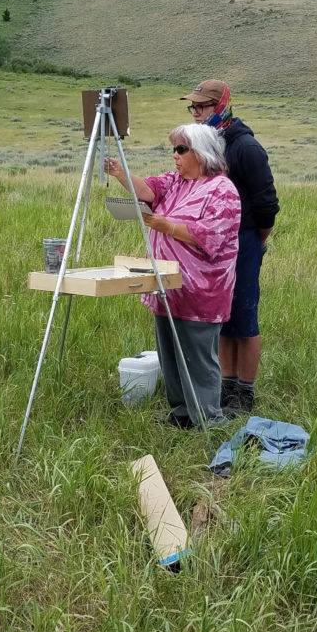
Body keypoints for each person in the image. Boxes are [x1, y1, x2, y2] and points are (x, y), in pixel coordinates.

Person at [104, 124, 241, 429]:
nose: (175, 156)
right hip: (166, 286)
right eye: (174, 149)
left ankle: (208, 420)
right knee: (170, 356)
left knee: (198, 359)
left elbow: (213, 237)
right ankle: (181, 415)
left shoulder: (222, 190)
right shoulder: (176, 182)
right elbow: (148, 190)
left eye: (182, 149)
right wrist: (119, 173)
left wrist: (166, 226)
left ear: (202, 153)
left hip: (201, 291)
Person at [181, 79, 279, 417]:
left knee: (244, 316)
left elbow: (267, 204)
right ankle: (227, 387)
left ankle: (245, 393)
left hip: (245, 239)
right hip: (215, 243)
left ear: (221, 106)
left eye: (202, 107)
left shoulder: (246, 147)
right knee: (221, 315)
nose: (196, 113)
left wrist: (257, 239)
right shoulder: (209, 144)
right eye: (192, 107)